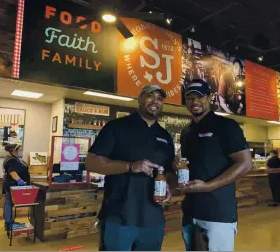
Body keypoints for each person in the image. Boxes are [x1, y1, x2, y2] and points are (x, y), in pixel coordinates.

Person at [85, 85, 175, 251]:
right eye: (150, 95)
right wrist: (130, 166)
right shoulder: (116, 127)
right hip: (119, 216)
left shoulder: (165, 137)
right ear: (139, 99)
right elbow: (91, 162)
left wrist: (169, 185)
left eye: (160, 98)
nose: (155, 101)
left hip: (153, 219)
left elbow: (168, 171)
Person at [174, 79, 253, 251]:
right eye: (190, 97)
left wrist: (208, 186)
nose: (194, 101)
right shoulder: (187, 132)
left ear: (209, 97)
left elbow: (246, 164)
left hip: (217, 213)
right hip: (190, 211)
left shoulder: (226, 126)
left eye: (199, 96)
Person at [2, 143, 30, 231]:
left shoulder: (15, 159)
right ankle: (9, 223)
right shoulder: (10, 160)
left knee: (10, 204)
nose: (21, 151)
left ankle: (10, 222)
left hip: (14, 186)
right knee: (9, 204)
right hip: (12, 185)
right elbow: (12, 172)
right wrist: (19, 180)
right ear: (13, 151)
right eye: (19, 150)